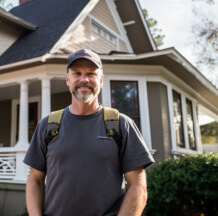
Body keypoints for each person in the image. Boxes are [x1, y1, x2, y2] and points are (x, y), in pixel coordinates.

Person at [24, 49, 155, 216]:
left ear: (100, 80)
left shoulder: (121, 125)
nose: (84, 79)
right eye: (77, 73)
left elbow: (137, 186)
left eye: (91, 74)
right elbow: (34, 180)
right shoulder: (47, 125)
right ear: (67, 79)